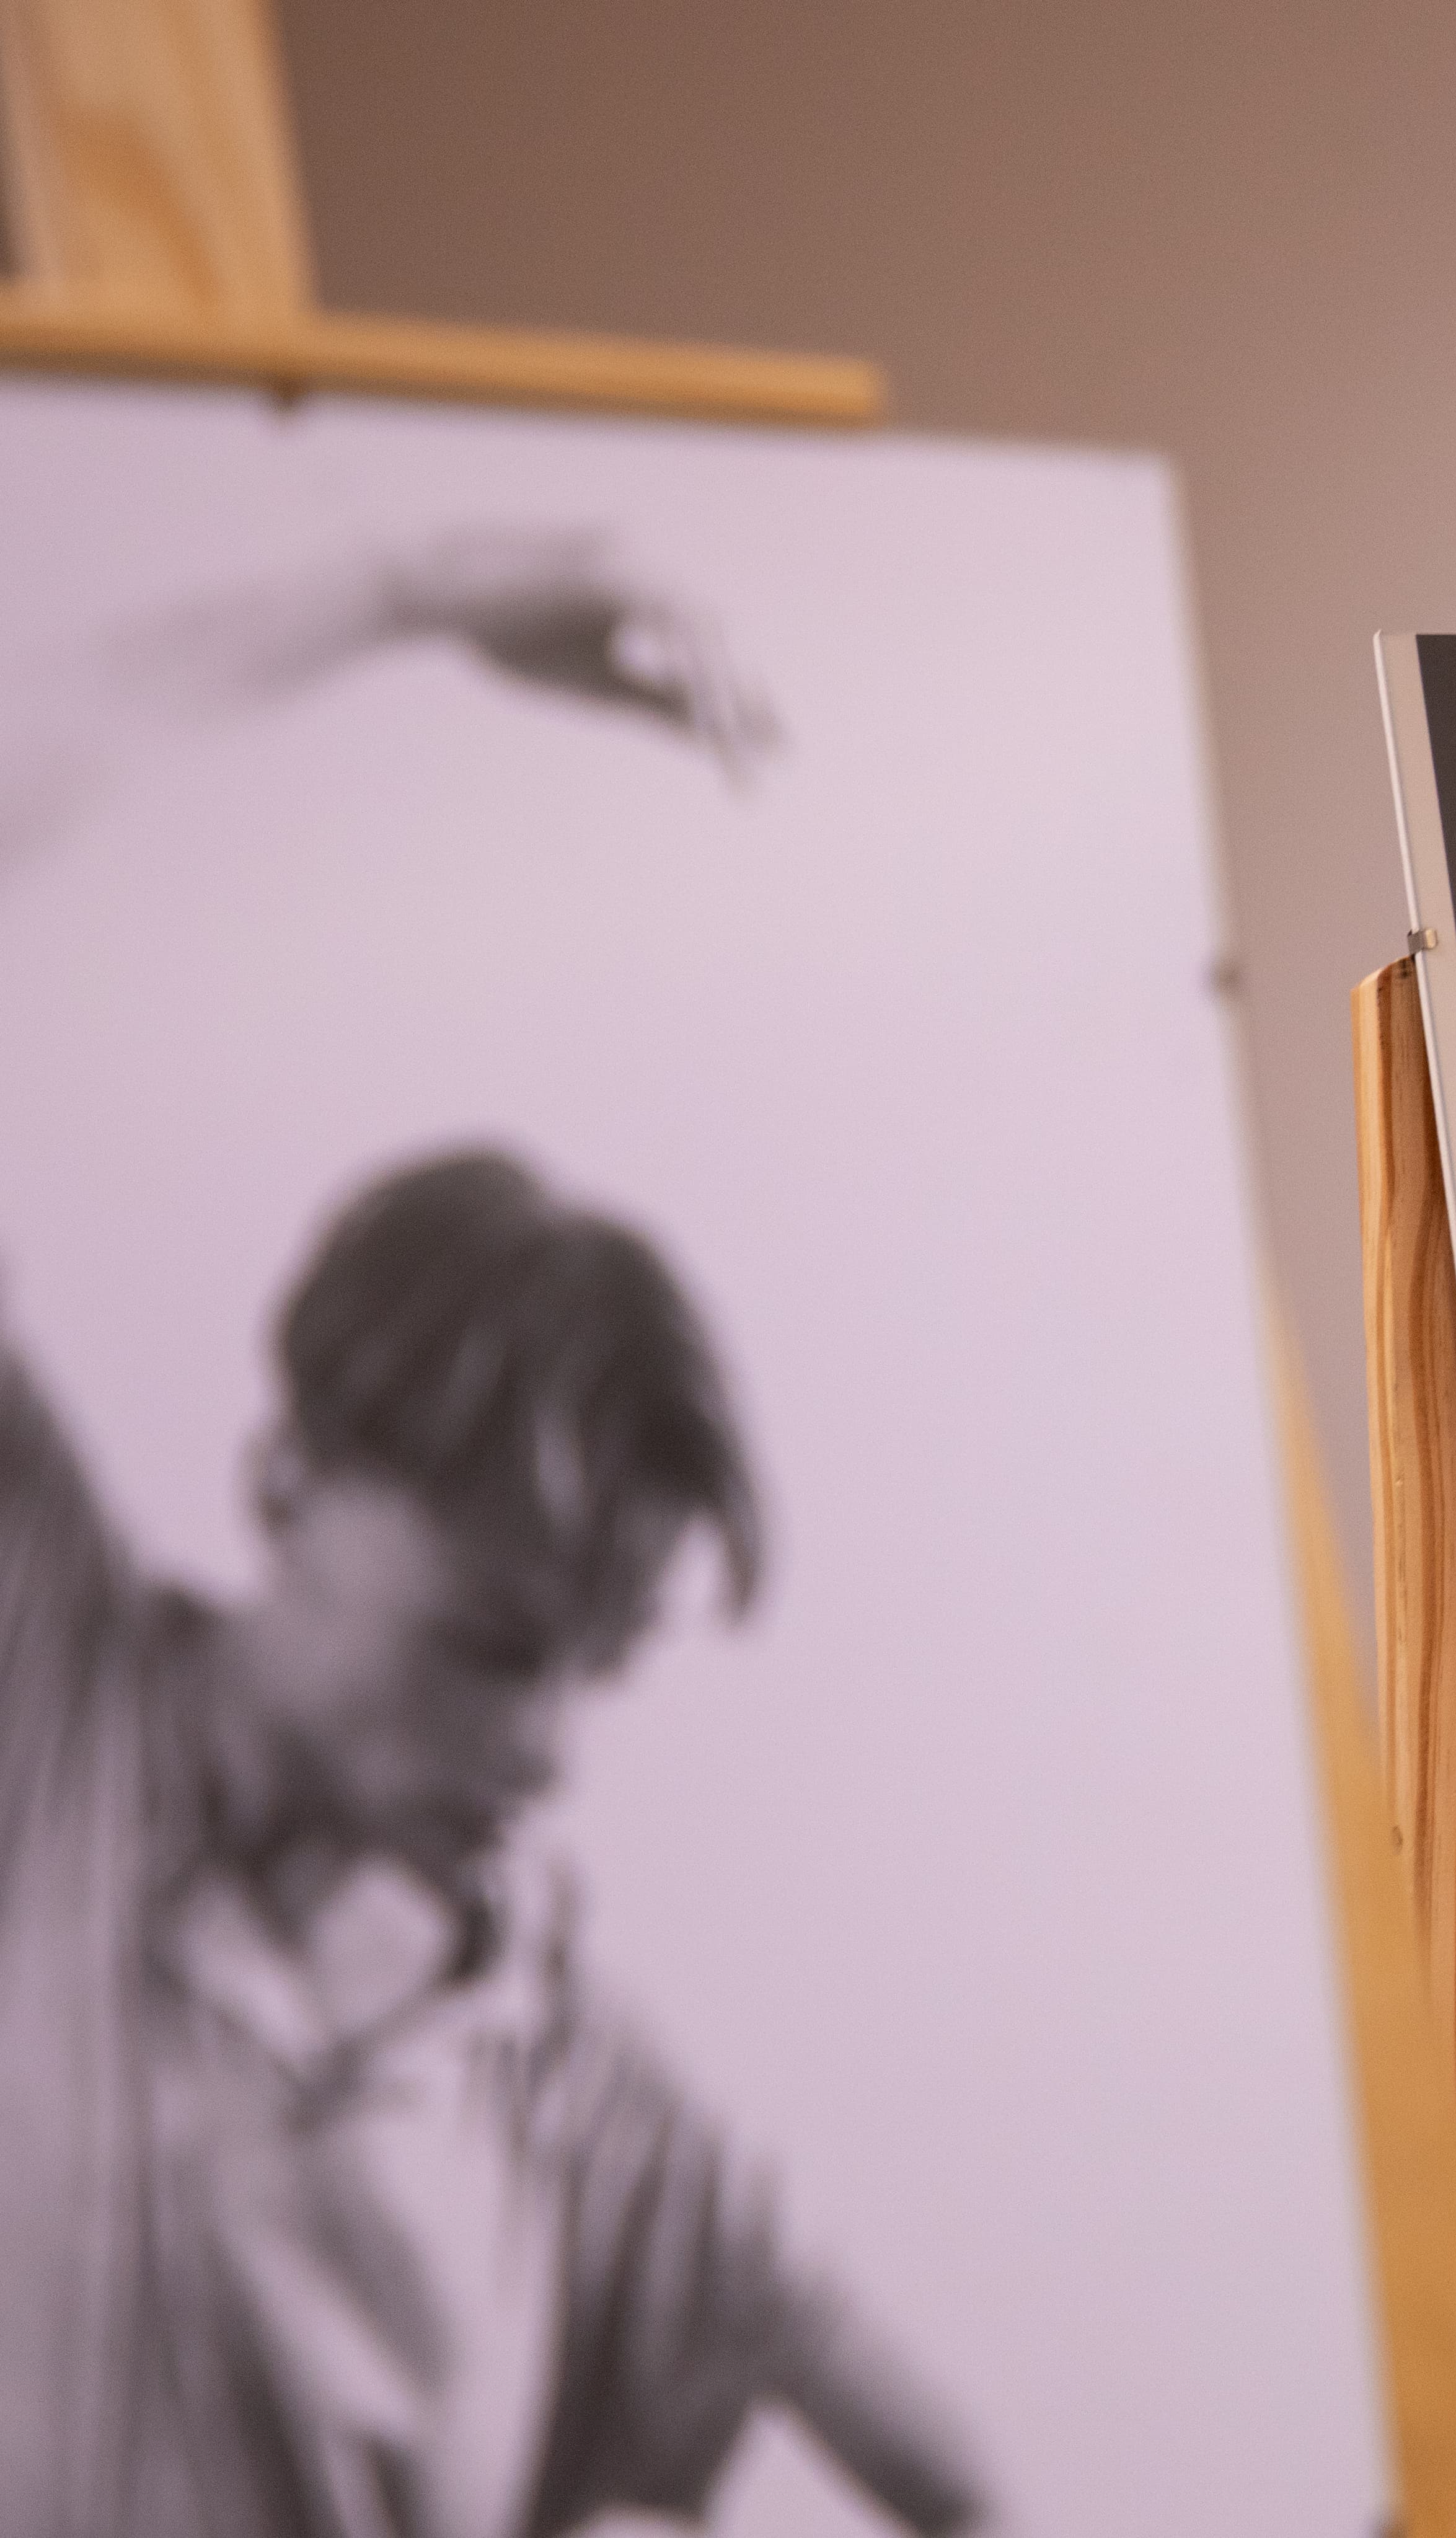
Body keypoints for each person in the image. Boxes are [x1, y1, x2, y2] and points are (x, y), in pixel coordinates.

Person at [0, 549, 997, 2537]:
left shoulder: (582, 2086)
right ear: (283, 1482)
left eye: (597, 1665)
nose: (547, 1751)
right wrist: (414, 593)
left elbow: (974, 2489)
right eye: (482, 1641)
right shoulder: (47, 1689)